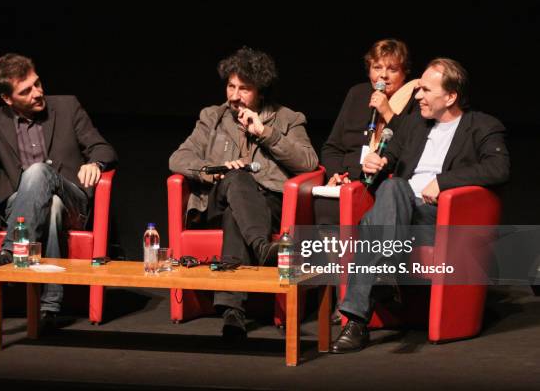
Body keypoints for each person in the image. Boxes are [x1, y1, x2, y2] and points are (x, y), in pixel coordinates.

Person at [331, 58, 510, 353]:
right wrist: (379, 162)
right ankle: (382, 273)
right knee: (393, 186)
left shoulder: (482, 126)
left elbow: (498, 168)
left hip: (437, 219)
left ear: (450, 96)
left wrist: (443, 181)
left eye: (426, 90)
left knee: (384, 209)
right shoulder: (415, 122)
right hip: (397, 212)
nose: (417, 95)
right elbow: (393, 156)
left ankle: (355, 322)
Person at [169, 46, 318, 340]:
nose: (234, 95)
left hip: (268, 205)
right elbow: (177, 159)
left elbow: (309, 162)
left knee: (235, 218)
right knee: (237, 178)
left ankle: (232, 311)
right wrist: (215, 169)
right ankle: (262, 249)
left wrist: (266, 133)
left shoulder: (287, 119)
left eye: (244, 89)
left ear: (261, 92)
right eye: (231, 86)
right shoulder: (212, 117)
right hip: (218, 197)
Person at [0, 53, 117, 318]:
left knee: (40, 174)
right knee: (50, 206)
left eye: (37, 83)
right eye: (26, 91)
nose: (37, 92)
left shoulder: (68, 106)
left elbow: (102, 148)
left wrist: (96, 164)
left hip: (72, 202)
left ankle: (11, 251)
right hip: (21, 209)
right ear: (7, 99)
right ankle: (50, 305)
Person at [315, 38, 418, 226]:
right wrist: (337, 175)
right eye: (377, 68)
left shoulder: (415, 99)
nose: (383, 76)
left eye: (392, 70)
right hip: (346, 180)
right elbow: (332, 147)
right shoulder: (357, 93)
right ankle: (334, 256)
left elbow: (410, 145)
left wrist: (387, 111)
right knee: (325, 204)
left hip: (379, 183)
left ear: (405, 73)